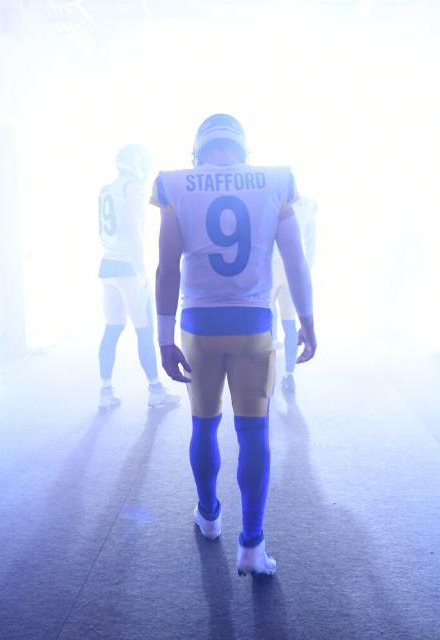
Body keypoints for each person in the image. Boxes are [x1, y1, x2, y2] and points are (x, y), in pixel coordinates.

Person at [153, 114, 317, 576]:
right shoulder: (274, 181)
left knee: (203, 426)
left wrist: (163, 338)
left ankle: (208, 516)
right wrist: (306, 320)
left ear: (198, 149)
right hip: (253, 322)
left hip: (199, 323)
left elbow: (166, 269)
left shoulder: (175, 184)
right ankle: (251, 544)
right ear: (242, 147)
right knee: (254, 433)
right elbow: (296, 260)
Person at [97, 144, 179, 410]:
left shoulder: (106, 189)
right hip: (126, 268)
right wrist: (141, 269)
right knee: (145, 330)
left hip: (107, 264)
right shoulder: (132, 187)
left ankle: (105, 391)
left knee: (112, 329)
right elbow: (131, 229)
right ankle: (156, 390)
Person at [271, 193, 317, 391]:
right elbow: (311, 245)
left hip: (272, 268)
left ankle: (272, 370)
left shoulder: (275, 201)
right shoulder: (308, 205)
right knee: (288, 323)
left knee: (270, 320)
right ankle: (289, 371)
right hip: (291, 271)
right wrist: (306, 273)